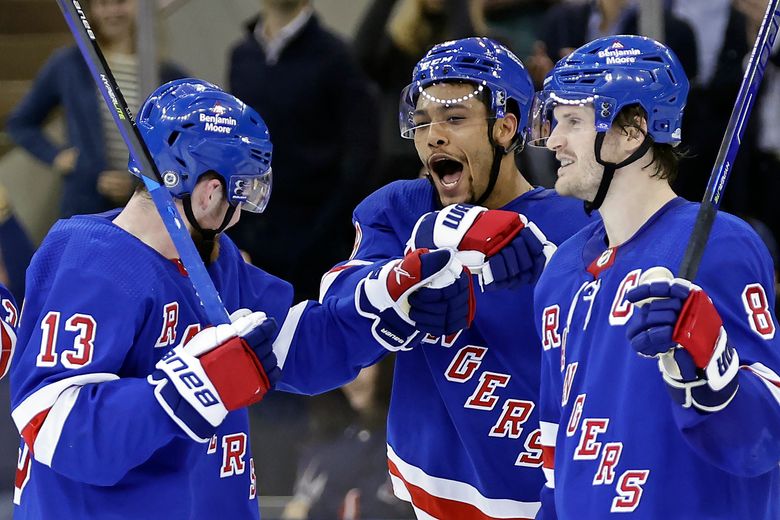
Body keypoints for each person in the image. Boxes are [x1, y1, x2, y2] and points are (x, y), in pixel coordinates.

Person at [9, 79, 474, 519]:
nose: (239, 217)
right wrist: (186, 391)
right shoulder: (91, 260)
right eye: (245, 191)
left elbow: (291, 347)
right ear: (210, 192)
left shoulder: (216, 261)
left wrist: (379, 311)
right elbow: (54, 426)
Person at [319, 37, 594, 518]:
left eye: (455, 118)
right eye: (423, 121)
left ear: (506, 128)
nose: (434, 136)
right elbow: (340, 301)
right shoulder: (402, 209)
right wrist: (427, 249)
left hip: (544, 491)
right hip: (428, 489)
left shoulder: (578, 225)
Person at [530, 35, 780, 518]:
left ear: (632, 132)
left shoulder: (717, 245)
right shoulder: (559, 272)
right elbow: (556, 450)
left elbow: (766, 438)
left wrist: (714, 368)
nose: (554, 140)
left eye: (574, 122)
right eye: (555, 122)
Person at [228, 0, 379, 302]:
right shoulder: (242, 56)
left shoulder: (336, 57)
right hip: (251, 239)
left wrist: (325, 232)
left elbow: (363, 154)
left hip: (316, 244)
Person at [6, 0, 186, 219]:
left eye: (120, 2)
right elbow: (21, 123)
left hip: (148, 205)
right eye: (102, 3)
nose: (111, 11)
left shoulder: (168, 73)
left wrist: (137, 180)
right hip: (85, 203)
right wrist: (58, 157)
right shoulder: (69, 64)